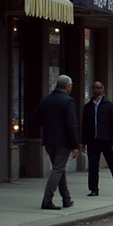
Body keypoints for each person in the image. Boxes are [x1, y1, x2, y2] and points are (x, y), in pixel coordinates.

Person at [30, 75, 79, 210]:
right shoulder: (68, 101)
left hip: (49, 140)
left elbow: (34, 116)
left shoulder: (46, 100)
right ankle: (47, 200)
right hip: (63, 141)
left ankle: (66, 199)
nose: (71, 88)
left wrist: (46, 124)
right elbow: (71, 124)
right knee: (57, 169)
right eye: (71, 86)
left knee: (59, 168)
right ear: (67, 86)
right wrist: (75, 145)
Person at [81, 81, 113, 196]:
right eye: (94, 87)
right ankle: (94, 189)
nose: (96, 90)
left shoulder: (109, 105)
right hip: (93, 140)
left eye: (98, 88)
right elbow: (84, 125)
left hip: (107, 140)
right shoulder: (88, 107)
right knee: (93, 165)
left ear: (102, 89)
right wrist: (83, 142)